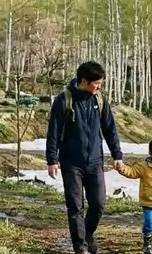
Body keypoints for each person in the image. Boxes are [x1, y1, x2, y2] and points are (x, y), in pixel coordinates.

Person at [45, 61, 124, 254]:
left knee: (98, 204)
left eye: (100, 83)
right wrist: (51, 160)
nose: (99, 87)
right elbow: (53, 131)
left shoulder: (99, 100)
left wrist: (117, 155)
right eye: (96, 83)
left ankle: (87, 234)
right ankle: (80, 246)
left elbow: (109, 129)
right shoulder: (64, 100)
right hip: (71, 162)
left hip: (95, 160)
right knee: (75, 206)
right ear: (84, 81)